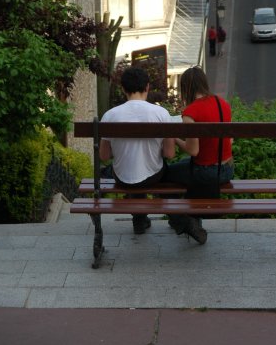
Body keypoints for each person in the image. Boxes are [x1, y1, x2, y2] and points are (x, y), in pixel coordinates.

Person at [99, 67, 175, 235]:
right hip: (152, 177)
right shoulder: (161, 113)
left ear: (123, 88)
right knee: (159, 169)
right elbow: (169, 154)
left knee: (133, 167)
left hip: (122, 178)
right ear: (147, 87)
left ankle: (139, 219)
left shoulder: (110, 115)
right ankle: (177, 219)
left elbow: (104, 156)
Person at [164, 66, 233, 244]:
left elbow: (193, 151)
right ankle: (192, 219)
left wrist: (174, 137)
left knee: (165, 176)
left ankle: (183, 220)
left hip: (205, 172)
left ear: (186, 88)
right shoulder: (222, 104)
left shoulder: (191, 113)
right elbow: (230, 141)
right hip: (226, 169)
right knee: (185, 168)